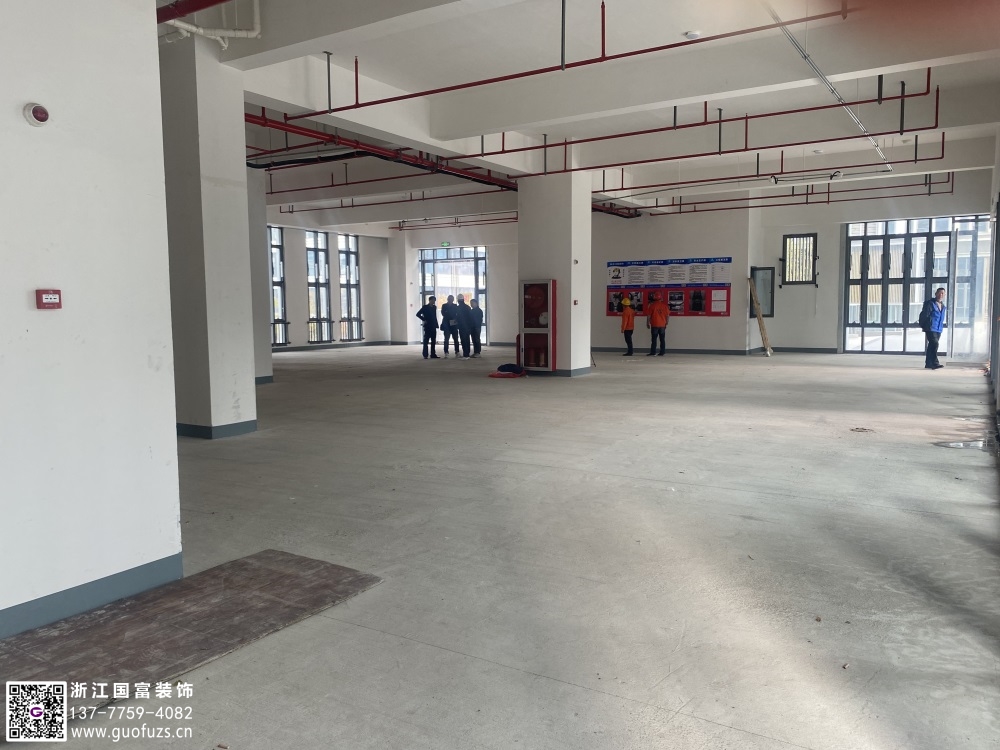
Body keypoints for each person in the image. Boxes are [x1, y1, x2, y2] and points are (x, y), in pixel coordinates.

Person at [919, 287, 947, 370]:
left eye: (942, 293)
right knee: (935, 344)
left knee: (932, 345)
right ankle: (935, 363)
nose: (941, 295)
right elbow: (924, 315)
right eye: (939, 293)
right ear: (936, 294)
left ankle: (928, 363)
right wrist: (923, 325)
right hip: (930, 328)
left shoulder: (943, 306)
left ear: (944, 295)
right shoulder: (930, 303)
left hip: (938, 329)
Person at [646, 292, 669, 356]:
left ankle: (653, 352)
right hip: (662, 325)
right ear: (661, 298)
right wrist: (666, 323)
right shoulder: (664, 306)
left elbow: (649, 315)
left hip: (654, 324)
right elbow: (667, 315)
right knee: (662, 339)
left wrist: (647, 323)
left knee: (654, 339)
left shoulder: (652, 306)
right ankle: (662, 352)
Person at [456, 293, 474, 359]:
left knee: (463, 340)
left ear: (458, 300)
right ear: (463, 300)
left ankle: (465, 355)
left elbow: (457, 317)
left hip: (462, 327)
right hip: (468, 326)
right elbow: (471, 317)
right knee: (467, 340)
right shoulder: (468, 307)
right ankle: (467, 353)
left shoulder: (458, 308)